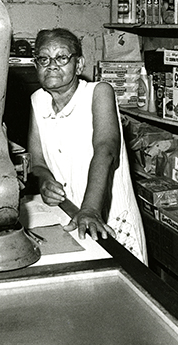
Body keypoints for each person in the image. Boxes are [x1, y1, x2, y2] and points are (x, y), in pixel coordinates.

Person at [28, 28, 147, 264]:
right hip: (68, 213)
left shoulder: (98, 92)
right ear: (36, 65)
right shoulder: (37, 100)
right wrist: (44, 182)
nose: (52, 65)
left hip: (107, 218)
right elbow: (37, 160)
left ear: (79, 64)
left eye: (62, 57)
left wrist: (91, 209)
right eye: (44, 58)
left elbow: (106, 150)